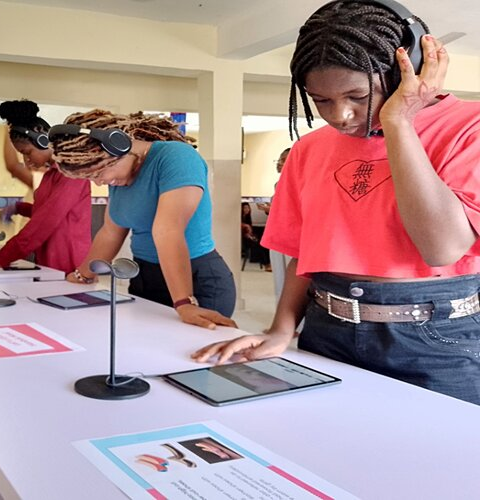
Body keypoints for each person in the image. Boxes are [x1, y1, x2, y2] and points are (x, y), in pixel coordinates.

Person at [192, 1, 480, 405]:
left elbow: (442, 247)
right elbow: (305, 254)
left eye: (358, 95)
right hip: (327, 329)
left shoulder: (470, 127)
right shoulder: (308, 150)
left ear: (405, 69)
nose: (341, 115)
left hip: (435, 341)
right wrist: (281, 329)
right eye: (321, 100)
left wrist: (398, 122)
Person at [50, 109, 237, 330]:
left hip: (195, 281)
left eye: (99, 173)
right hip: (145, 277)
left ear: (119, 146)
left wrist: (184, 302)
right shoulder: (119, 177)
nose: (101, 182)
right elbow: (110, 232)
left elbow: (168, 231)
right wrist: (82, 275)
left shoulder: (177, 158)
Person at [0, 99, 92, 275]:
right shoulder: (50, 176)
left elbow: (44, 222)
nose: (27, 160)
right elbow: (45, 211)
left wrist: (1, 258)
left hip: (70, 263)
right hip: (50, 259)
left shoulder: (71, 174)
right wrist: (19, 208)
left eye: (27, 152)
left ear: (43, 141)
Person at [258, 148, 292, 297]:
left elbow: (290, 210)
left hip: (291, 236)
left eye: (284, 160)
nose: (279, 163)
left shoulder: (300, 181)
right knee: (280, 276)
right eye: (279, 159)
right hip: (276, 234)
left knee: (292, 278)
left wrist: (271, 209)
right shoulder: (279, 184)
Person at [241, 202, 271, 271]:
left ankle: (267, 263)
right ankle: (266, 264)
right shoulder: (241, 220)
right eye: (245, 208)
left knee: (263, 240)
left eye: (248, 208)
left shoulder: (248, 217)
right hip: (245, 239)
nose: (246, 209)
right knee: (260, 245)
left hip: (251, 237)